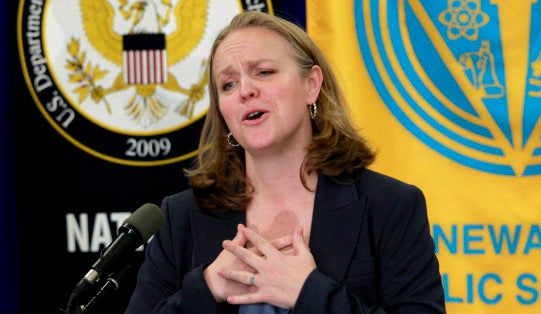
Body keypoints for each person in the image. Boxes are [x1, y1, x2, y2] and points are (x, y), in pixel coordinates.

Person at [126, 11, 445, 313]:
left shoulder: (390, 206)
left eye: (263, 72)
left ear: (311, 85)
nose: (246, 91)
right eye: (228, 84)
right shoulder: (181, 218)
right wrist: (207, 286)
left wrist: (311, 293)